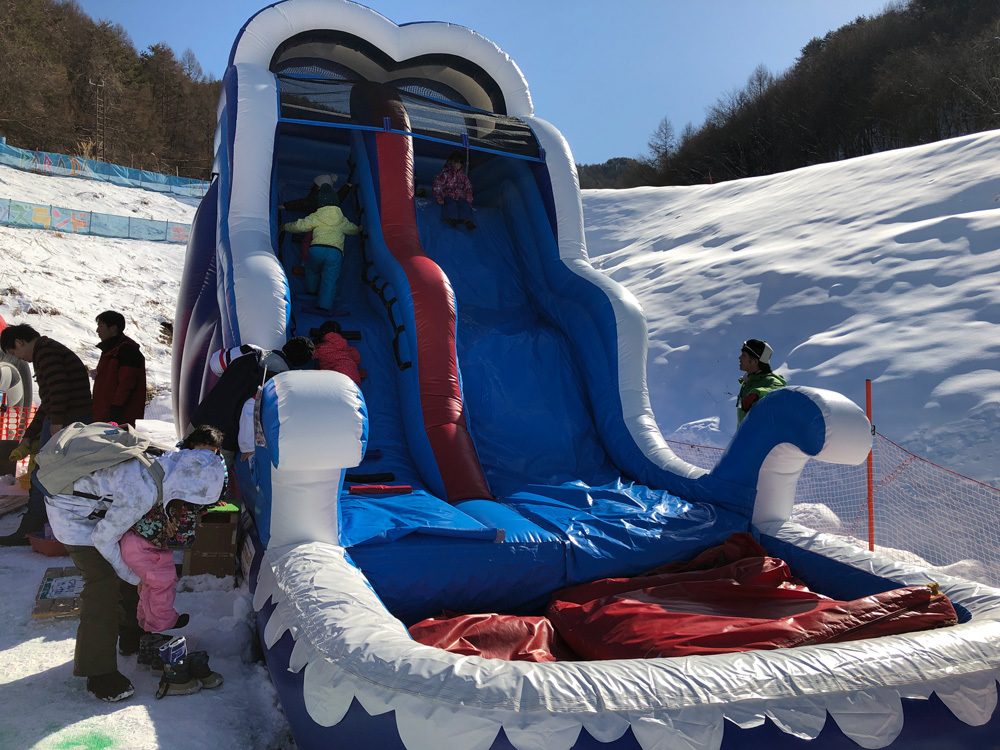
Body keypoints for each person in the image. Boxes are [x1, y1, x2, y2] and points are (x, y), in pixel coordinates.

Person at [43, 445, 224, 702]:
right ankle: (99, 674)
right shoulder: (142, 489)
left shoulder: (169, 466)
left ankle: (132, 636)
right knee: (102, 585)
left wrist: (134, 574)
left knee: (129, 565)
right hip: (73, 515)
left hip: (99, 508)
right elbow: (103, 537)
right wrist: (134, 578)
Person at [118, 426, 226, 636]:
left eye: (210, 451)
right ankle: (161, 625)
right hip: (145, 543)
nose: (204, 456)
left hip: (141, 539)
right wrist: (182, 534)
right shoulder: (179, 475)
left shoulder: (176, 469)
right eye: (201, 449)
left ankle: (145, 622)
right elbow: (182, 522)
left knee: (150, 585)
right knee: (162, 583)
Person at [0, 323, 93, 545]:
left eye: (14, 353)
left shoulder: (47, 353)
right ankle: (42, 525)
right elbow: (48, 401)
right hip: (67, 419)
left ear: (19, 342)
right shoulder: (47, 350)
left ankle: (31, 529)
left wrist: (56, 424)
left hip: (69, 421)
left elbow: (59, 389)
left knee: (44, 476)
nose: (19, 358)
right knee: (49, 476)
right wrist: (29, 435)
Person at [188, 337, 315, 464]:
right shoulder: (278, 383)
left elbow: (216, 362)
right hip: (222, 438)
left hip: (201, 418)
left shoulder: (250, 351)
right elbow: (249, 409)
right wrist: (247, 447)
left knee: (177, 466)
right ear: (302, 363)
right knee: (207, 479)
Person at [281, 184, 360, 312]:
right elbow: (351, 229)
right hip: (335, 251)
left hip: (316, 249)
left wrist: (285, 227)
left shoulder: (317, 216)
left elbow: (300, 226)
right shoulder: (341, 219)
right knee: (330, 278)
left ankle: (311, 291)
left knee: (311, 270)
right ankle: (324, 305)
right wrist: (359, 229)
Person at [92, 310, 147, 427]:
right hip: (104, 415)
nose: (97, 331)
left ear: (113, 328)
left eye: (100, 326)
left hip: (118, 418)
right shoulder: (111, 350)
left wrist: (115, 413)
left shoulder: (126, 351)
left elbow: (126, 385)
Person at [736, 338, 787, 426]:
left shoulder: (769, 380)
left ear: (755, 361)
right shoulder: (747, 383)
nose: (739, 358)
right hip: (746, 436)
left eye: (744, 355)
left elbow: (779, 389)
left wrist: (757, 393)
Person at [432, 150, 475, 230]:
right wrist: (439, 198)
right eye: (455, 162)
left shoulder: (463, 175)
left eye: (459, 163)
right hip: (448, 194)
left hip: (459, 195)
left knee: (465, 205)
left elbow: (468, 187)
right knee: (451, 204)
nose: (457, 165)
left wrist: (469, 199)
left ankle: (466, 220)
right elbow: (437, 184)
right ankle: (450, 217)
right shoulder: (445, 173)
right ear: (450, 162)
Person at [313, 321, 362, 386]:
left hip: (337, 380)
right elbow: (357, 358)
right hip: (354, 380)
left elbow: (308, 354)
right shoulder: (347, 347)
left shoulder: (320, 348)